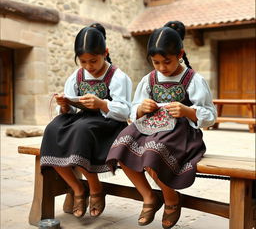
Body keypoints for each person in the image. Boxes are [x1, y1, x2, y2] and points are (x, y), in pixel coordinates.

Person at [106, 21, 217, 228]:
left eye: (166, 62)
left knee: (153, 153)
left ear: (180, 54)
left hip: (181, 133)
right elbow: (134, 108)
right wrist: (141, 108)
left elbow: (210, 114)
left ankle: (171, 198)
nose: (162, 68)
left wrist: (187, 111)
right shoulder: (149, 79)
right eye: (156, 62)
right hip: (150, 126)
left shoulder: (193, 79)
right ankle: (149, 196)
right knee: (120, 146)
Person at [40, 23, 132, 218]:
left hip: (108, 124)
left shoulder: (117, 77)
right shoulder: (77, 76)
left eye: (94, 60)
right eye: (83, 61)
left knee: (81, 130)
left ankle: (95, 187)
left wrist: (101, 104)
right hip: (81, 120)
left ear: (105, 53)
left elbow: (124, 111)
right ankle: (77, 188)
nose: (89, 66)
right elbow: (71, 109)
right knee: (52, 129)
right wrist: (65, 104)